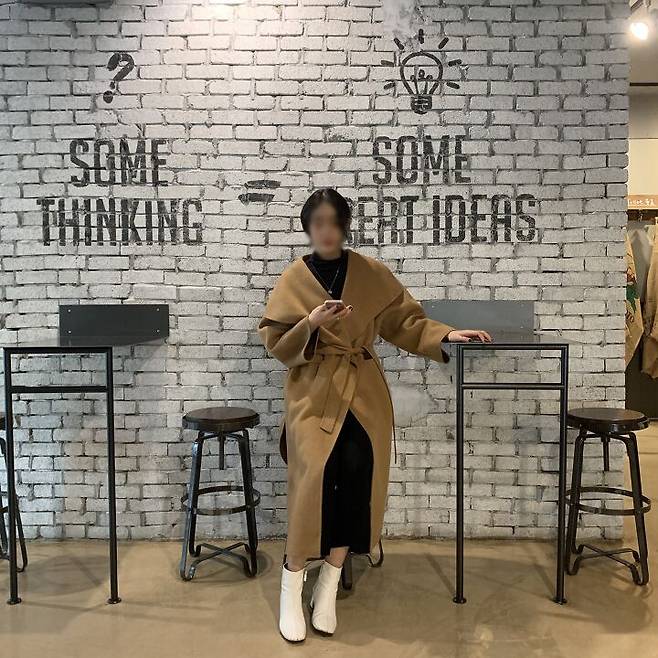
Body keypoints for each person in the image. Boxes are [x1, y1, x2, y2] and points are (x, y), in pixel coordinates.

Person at [258, 188, 492, 642]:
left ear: (345, 226)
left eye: (334, 222)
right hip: (313, 394)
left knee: (357, 478)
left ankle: (328, 585)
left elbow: (406, 322)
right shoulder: (293, 278)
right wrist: (311, 323)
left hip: (363, 393)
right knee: (313, 483)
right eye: (318, 222)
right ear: (308, 228)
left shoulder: (370, 273)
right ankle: (292, 581)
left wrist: (446, 335)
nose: (326, 231)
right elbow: (277, 343)